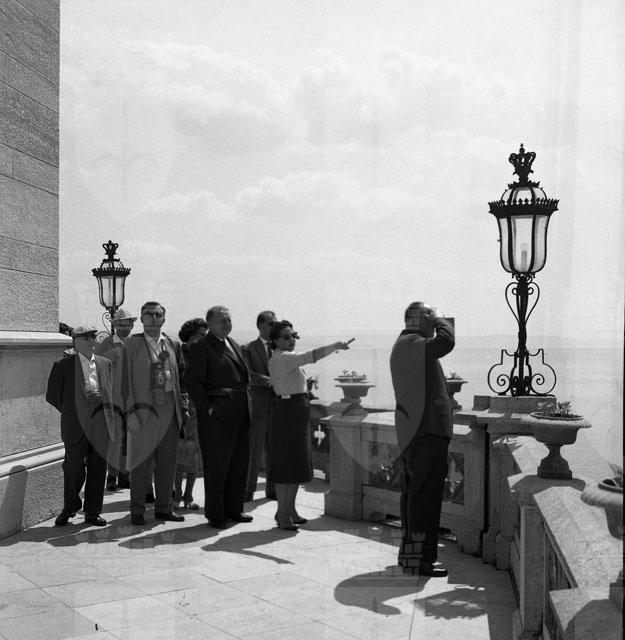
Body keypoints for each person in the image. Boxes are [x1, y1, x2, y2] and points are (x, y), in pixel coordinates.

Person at [389, 302, 455, 577]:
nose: (435, 321)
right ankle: (420, 560)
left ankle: (410, 556)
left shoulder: (409, 345)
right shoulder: (412, 344)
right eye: (430, 316)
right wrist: (440, 318)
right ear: (420, 319)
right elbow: (446, 342)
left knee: (415, 498)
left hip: (417, 431)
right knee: (424, 499)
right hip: (425, 431)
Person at [268, 320, 353, 530]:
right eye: (286, 337)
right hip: (287, 413)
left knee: (296, 463)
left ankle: (289, 510)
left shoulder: (287, 359)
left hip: (296, 413)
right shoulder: (282, 358)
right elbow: (311, 355)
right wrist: (335, 346)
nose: (291, 340)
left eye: (293, 335)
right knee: (285, 465)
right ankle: (283, 512)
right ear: (275, 341)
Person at [122, 301, 188, 526]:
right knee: (141, 465)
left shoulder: (173, 344)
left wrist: (183, 408)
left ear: (164, 318)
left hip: (169, 408)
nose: (154, 317)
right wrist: (130, 413)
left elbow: (182, 381)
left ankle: (164, 508)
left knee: (167, 464)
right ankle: (137, 510)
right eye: (149, 314)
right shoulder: (131, 345)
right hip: (143, 412)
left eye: (158, 314)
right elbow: (124, 383)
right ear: (142, 319)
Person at [186, 305, 252, 529]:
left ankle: (235, 509)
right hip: (217, 418)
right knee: (217, 468)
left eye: (229, 320)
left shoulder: (233, 344)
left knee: (238, 465)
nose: (227, 324)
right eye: (222, 320)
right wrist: (208, 408)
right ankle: (216, 514)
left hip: (241, 414)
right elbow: (193, 382)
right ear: (210, 324)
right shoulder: (201, 347)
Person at [46, 325, 116, 527]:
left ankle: (93, 512)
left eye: (93, 337)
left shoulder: (105, 364)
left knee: (98, 468)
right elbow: (52, 396)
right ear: (75, 342)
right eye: (86, 338)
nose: (92, 341)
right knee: (73, 467)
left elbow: (110, 392)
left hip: (101, 425)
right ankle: (70, 507)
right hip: (75, 425)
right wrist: (72, 412)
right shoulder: (63, 366)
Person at [94, 308, 137, 491]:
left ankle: (125, 476)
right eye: (121, 325)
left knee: (130, 438)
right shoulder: (106, 344)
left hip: (133, 399)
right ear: (115, 325)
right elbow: (95, 364)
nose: (124, 329)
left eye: (127, 325)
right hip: (114, 398)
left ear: (132, 326)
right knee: (114, 438)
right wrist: (110, 356)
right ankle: (111, 475)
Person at [243, 310, 277, 502]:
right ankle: (247, 490)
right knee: (253, 449)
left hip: (278, 406)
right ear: (260, 325)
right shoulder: (248, 348)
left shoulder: (281, 348)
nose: (274, 327)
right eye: (271, 323)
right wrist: (270, 380)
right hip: (258, 405)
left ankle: (273, 490)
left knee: (275, 449)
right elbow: (248, 374)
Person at [174, 317, 208, 510]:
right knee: (180, 453)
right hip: (181, 408)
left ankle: (188, 495)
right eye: (199, 335)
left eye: (205, 335)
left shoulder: (204, 355)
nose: (203, 338)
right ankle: (178, 494)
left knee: (194, 454)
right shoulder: (178, 353)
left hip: (199, 408)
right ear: (189, 336)